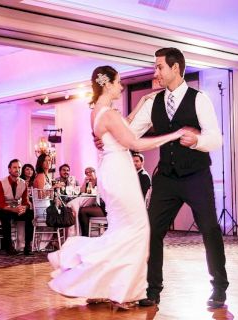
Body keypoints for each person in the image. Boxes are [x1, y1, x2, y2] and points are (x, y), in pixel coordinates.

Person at [48, 66, 183, 309]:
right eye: (119, 82)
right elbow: (132, 141)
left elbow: (124, 125)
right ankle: (124, 289)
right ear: (108, 83)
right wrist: (173, 136)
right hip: (119, 174)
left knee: (123, 231)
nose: (121, 87)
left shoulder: (99, 113)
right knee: (137, 229)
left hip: (112, 171)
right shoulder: (108, 114)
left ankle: (107, 286)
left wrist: (143, 101)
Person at [126, 47, 228, 308]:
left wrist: (197, 141)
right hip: (166, 178)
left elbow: (216, 138)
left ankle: (219, 287)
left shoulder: (199, 98)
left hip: (196, 176)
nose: (155, 72)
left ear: (175, 68)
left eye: (159, 66)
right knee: (152, 231)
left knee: (210, 229)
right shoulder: (154, 103)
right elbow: (131, 134)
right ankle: (153, 289)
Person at [0, 159, 34, 256]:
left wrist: (24, 207)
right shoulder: (1, 182)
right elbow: (1, 203)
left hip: (15, 208)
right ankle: (8, 247)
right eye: (15, 167)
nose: (17, 170)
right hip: (1, 209)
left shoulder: (23, 183)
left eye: (19, 167)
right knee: (6, 216)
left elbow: (25, 201)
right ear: (9, 170)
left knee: (30, 214)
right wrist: (14, 209)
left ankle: (27, 246)